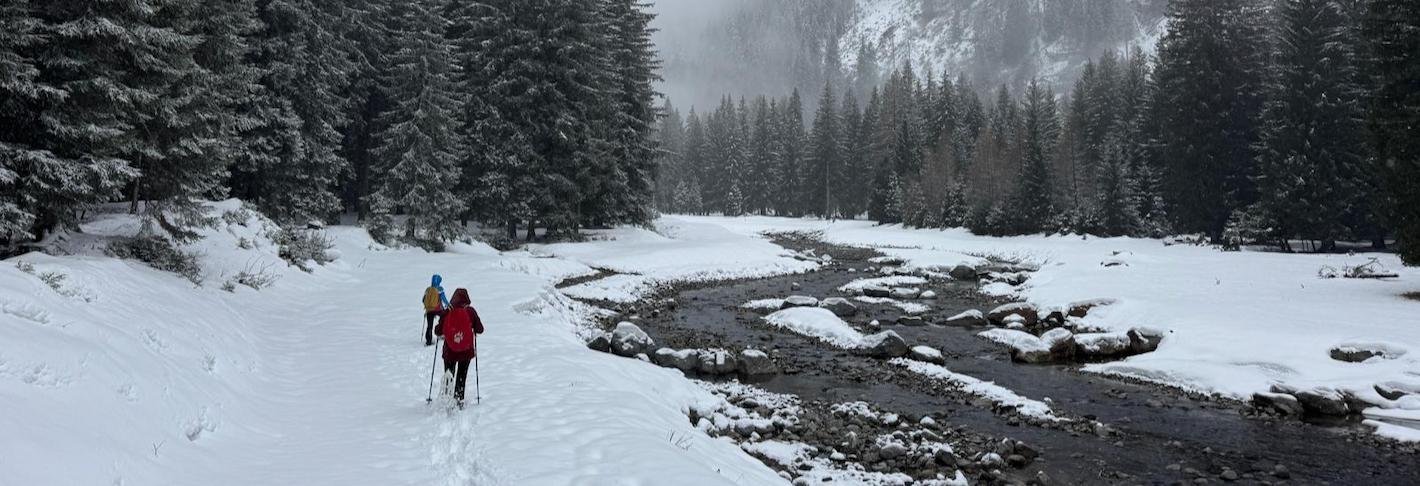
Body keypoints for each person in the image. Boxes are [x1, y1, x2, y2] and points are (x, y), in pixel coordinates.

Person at [434, 288, 484, 406]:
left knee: (449, 373)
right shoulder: (470, 311)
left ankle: (446, 397)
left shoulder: (447, 311)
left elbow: (438, 331)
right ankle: (458, 399)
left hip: (449, 351)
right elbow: (480, 329)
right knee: (462, 374)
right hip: (466, 351)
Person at [422, 274, 450, 346]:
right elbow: (443, 299)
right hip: (438, 309)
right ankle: (441, 333)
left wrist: (428, 306)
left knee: (429, 326)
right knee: (444, 317)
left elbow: (423, 300)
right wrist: (449, 305)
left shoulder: (428, 289)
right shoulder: (439, 289)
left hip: (429, 310)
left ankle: (428, 341)